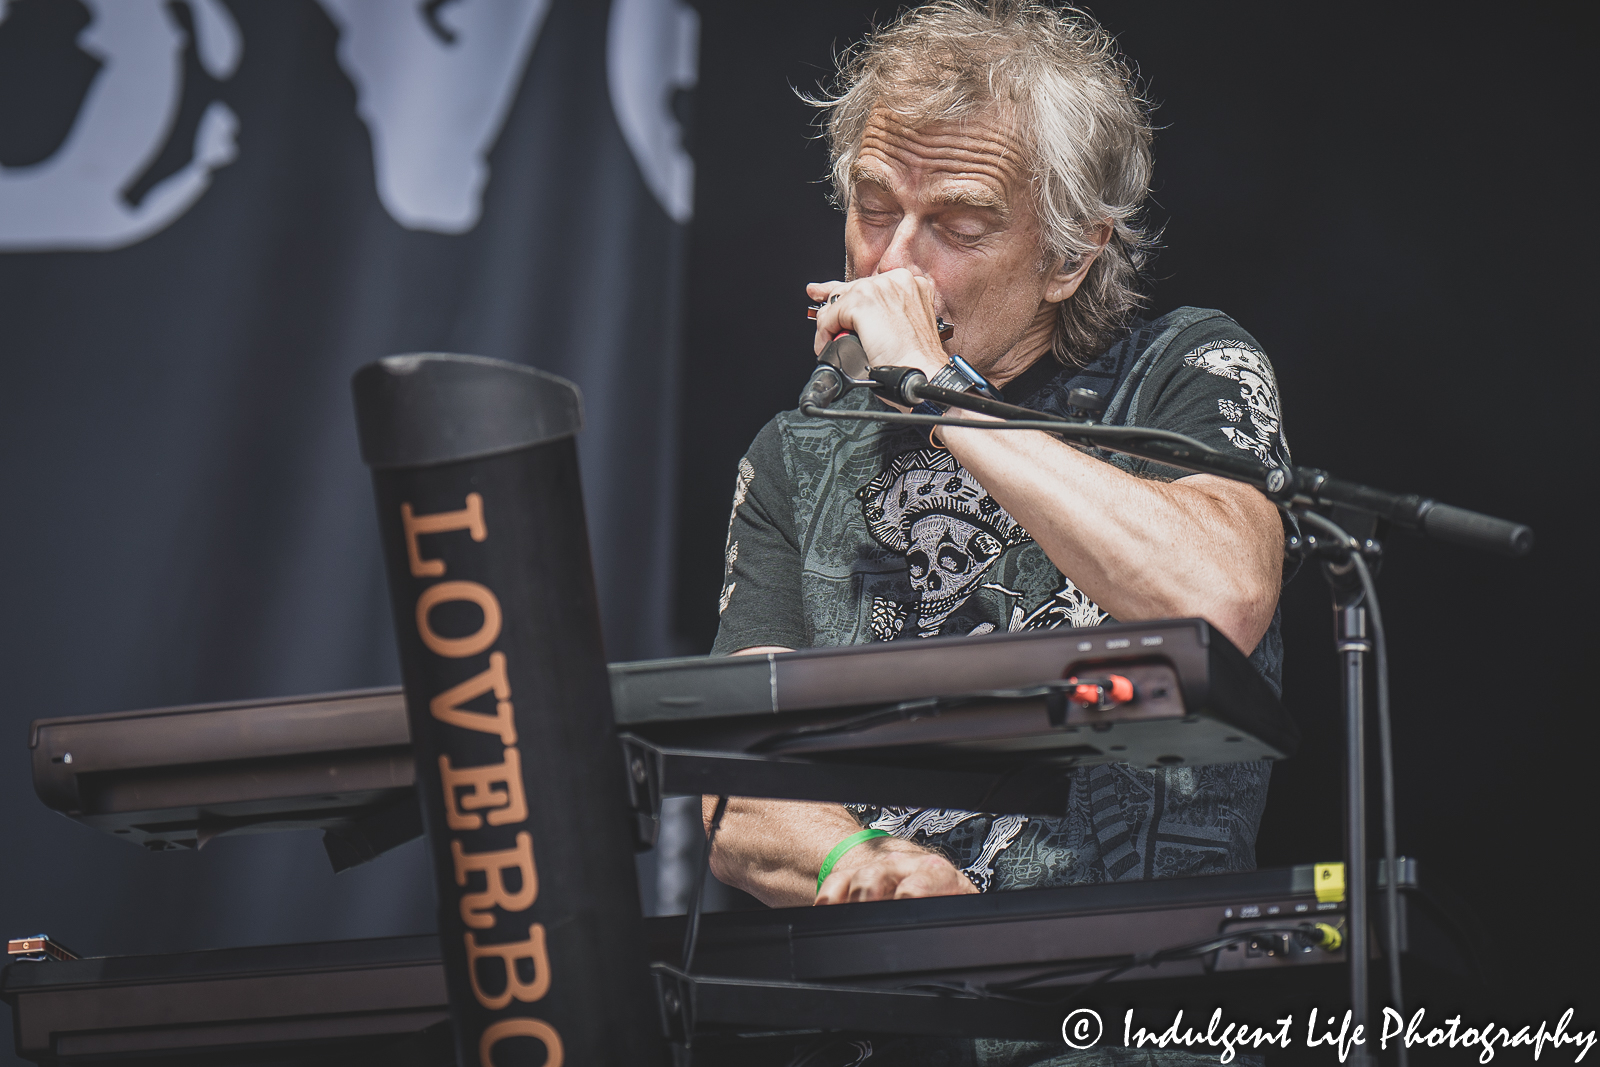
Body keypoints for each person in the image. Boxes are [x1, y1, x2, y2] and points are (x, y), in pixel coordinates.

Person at [706, 0, 1294, 1041]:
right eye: (872, 205)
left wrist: (943, 390)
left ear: (1071, 255)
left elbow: (1216, 599)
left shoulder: (1183, 370)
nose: (892, 261)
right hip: (872, 1025)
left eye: (958, 227)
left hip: (1126, 1012)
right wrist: (855, 863)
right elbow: (735, 800)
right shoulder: (797, 449)